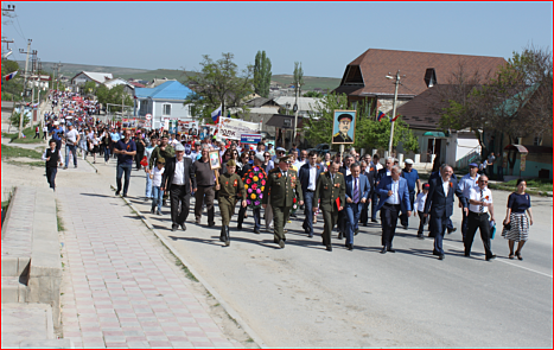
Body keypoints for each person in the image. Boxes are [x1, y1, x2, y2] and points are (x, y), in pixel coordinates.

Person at [423, 164, 467, 260]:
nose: (448, 173)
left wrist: (465, 205)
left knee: (442, 230)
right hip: (436, 210)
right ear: (442, 171)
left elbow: (460, 194)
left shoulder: (453, 183)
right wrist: (426, 211)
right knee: (438, 230)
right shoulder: (435, 182)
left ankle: (436, 248)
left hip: (447, 211)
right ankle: (440, 250)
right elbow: (429, 198)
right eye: (446, 171)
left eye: (450, 172)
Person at [262, 155, 304, 249]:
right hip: (276, 201)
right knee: (278, 219)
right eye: (286, 163)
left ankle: (277, 236)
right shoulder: (273, 173)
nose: (288, 165)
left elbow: (298, 187)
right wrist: (264, 201)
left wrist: (300, 198)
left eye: (289, 163)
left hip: (288, 201)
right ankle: (280, 238)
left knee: (284, 219)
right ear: (280, 163)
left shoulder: (293, 173)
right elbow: (266, 188)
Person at [375, 165, 412, 253]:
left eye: (394, 172)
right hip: (386, 205)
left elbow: (406, 195)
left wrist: (408, 209)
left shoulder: (403, 181)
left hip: (396, 207)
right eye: (391, 171)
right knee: (387, 224)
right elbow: (378, 189)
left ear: (399, 174)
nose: (391, 173)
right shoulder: (385, 179)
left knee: (392, 225)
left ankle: (389, 244)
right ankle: (384, 244)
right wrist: (386, 192)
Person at [161, 143, 196, 231]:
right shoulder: (170, 161)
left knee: (186, 207)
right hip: (174, 187)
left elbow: (191, 174)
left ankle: (181, 220)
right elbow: (165, 174)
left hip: (185, 187)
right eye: (178, 152)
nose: (179, 154)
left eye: (181, 152)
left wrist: (194, 185)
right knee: (174, 206)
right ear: (175, 152)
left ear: (184, 152)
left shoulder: (188, 161)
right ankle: (175, 223)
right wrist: (163, 185)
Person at [313, 161, 345, 251]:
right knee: (328, 222)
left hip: (335, 204)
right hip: (325, 203)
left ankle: (324, 234)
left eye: (337, 169)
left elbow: (342, 191)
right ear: (330, 167)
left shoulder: (340, 176)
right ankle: (329, 243)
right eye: (333, 168)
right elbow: (317, 191)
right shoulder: (323, 176)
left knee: (333, 222)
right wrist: (315, 204)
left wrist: (342, 203)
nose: (335, 170)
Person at [216, 159, 247, 246]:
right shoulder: (222, 177)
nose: (232, 169)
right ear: (227, 167)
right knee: (225, 217)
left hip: (232, 200)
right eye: (231, 168)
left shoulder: (237, 178)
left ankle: (222, 235)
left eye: (234, 168)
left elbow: (242, 189)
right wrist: (216, 187)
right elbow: (214, 188)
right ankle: (227, 238)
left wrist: (244, 199)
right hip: (223, 199)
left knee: (228, 218)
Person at [465, 175, 496, 261]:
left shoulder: (488, 192)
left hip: (484, 215)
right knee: (470, 235)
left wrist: (492, 215)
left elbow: (490, 204)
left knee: (486, 235)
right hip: (474, 215)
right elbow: (471, 200)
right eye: (482, 181)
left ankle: (488, 254)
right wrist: (481, 203)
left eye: (485, 182)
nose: (483, 183)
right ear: (478, 182)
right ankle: (467, 250)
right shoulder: (473, 190)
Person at [502, 179, 534, 260]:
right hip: (514, 216)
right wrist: (507, 218)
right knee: (513, 235)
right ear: (517, 186)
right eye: (521, 185)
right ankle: (511, 252)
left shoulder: (526, 196)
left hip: (523, 216)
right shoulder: (513, 196)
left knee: (524, 236)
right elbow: (509, 208)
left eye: (524, 185)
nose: (523, 187)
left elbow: (528, 207)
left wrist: (531, 217)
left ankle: (518, 251)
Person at [343, 163, 370, 250]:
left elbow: (368, 188)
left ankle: (348, 239)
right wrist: (346, 197)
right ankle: (351, 242)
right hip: (349, 204)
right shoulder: (346, 179)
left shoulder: (364, 178)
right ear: (350, 170)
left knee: (354, 222)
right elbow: (342, 190)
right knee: (351, 221)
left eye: (358, 171)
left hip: (359, 203)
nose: (356, 173)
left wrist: (365, 197)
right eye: (354, 171)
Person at [237, 153, 266, 233]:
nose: (261, 163)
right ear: (256, 160)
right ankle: (239, 223)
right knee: (243, 208)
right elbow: (242, 178)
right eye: (260, 161)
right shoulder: (247, 167)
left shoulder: (261, 170)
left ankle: (257, 227)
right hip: (246, 192)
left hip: (256, 194)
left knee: (257, 210)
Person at [299, 151, 324, 238]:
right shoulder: (304, 168)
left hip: (316, 192)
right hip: (307, 191)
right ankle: (311, 229)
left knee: (313, 210)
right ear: (308, 158)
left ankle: (306, 224)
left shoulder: (320, 167)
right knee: (309, 209)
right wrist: (300, 195)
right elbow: (299, 181)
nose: (313, 160)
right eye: (311, 158)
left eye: (314, 158)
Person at [192, 147, 216, 227]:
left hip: (210, 186)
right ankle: (198, 217)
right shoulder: (196, 163)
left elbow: (217, 173)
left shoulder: (213, 162)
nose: (205, 153)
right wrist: (193, 185)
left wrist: (217, 182)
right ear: (201, 152)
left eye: (206, 151)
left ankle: (210, 220)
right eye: (203, 151)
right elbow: (192, 175)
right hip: (199, 185)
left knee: (210, 204)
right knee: (199, 203)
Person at [458, 162, 480, 240]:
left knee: (473, 219)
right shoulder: (464, 179)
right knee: (466, 218)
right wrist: (460, 202)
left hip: (476, 201)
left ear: (477, 169)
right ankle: (465, 236)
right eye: (470, 167)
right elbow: (460, 191)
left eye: (473, 168)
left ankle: (470, 235)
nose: (471, 169)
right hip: (466, 201)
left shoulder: (480, 178)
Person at [113, 130, 137, 197]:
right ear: (124, 134)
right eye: (126, 134)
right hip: (120, 162)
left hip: (128, 163)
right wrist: (120, 152)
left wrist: (127, 153)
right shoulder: (119, 142)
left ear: (130, 135)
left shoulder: (132, 143)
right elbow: (114, 150)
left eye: (128, 134)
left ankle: (125, 192)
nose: (127, 135)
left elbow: (134, 152)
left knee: (127, 178)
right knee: (118, 177)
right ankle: (119, 188)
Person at [400, 159, 420, 229]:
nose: (410, 167)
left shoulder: (414, 172)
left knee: (410, 207)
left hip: (411, 192)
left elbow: (418, 180)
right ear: (405, 165)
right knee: (406, 207)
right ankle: (405, 223)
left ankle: (402, 216)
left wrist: (419, 189)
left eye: (411, 165)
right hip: (404, 192)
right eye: (408, 165)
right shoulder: (402, 172)